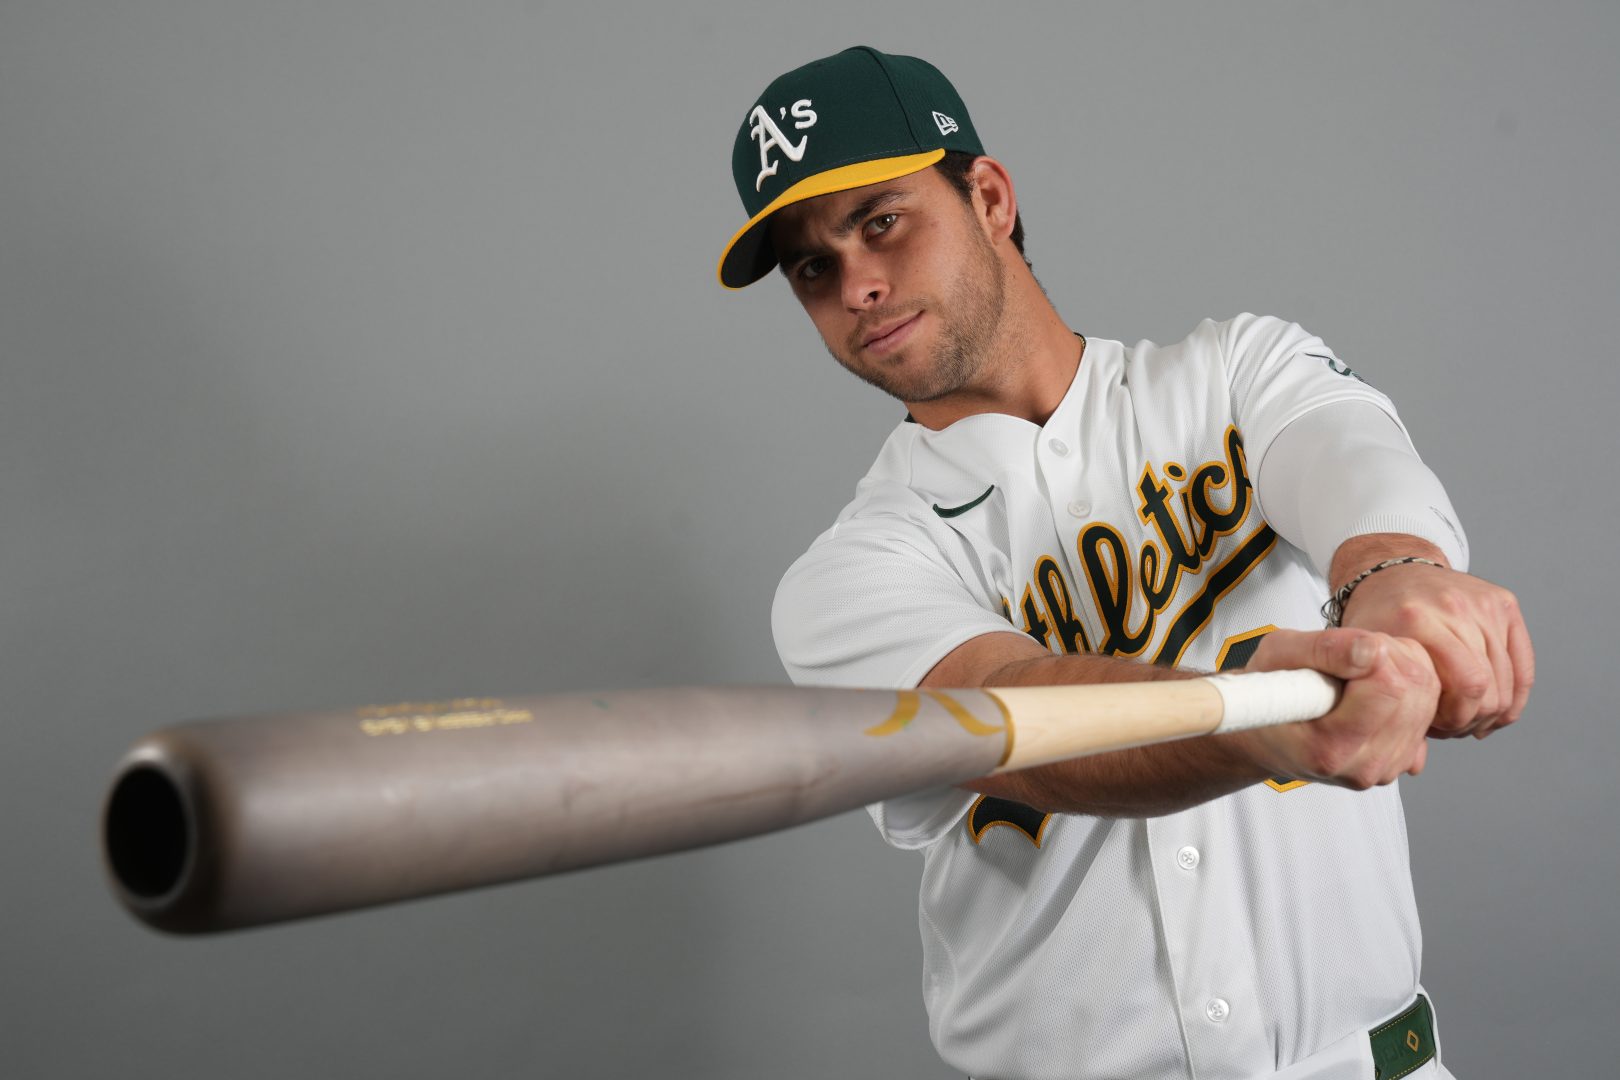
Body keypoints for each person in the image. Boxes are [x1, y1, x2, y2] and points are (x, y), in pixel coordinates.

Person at [717, 46, 1533, 1080]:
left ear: (990, 197)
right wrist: (1258, 725)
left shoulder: (1235, 375)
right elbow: (1018, 723)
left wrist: (1397, 580)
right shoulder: (849, 575)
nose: (858, 285)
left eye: (880, 221)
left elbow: (1350, 464)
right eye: (811, 267)